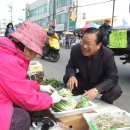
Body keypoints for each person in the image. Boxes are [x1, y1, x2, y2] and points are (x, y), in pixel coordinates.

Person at [0, 21, 62, 130]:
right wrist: (50, 100)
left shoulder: (6, 52)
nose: (35, 56)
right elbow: (26, 99)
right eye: (35, 53)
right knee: (22, 118)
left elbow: (18, 83)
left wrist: (39, 87)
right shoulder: (9, 62)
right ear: (27, 49)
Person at [63, 27, 122, 104]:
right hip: (83, 81)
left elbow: (113, 78)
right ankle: (79, 99)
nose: (84, 46)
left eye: (89, 44)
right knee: (67, 78)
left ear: (98, 45)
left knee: (116, 90)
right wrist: (72, 76)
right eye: (83, 42)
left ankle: (102, 104)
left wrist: (97, 90)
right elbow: (71, 66)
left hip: (99, 82)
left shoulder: (107, 54)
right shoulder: (76, 49)